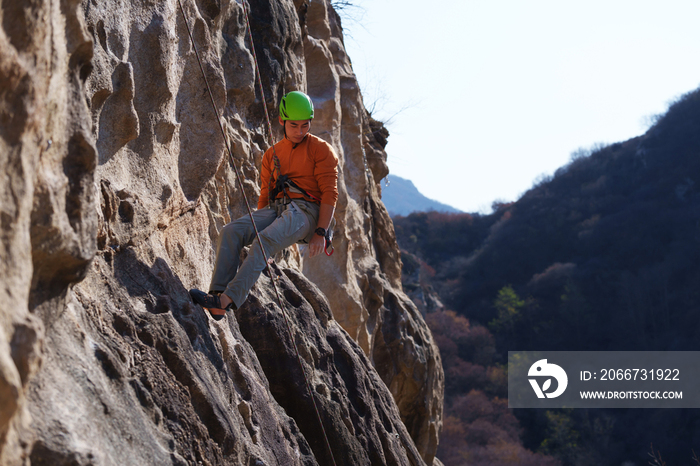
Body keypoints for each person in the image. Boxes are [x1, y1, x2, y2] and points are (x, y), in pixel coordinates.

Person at [189, 91, 339, 320]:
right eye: (294, 125)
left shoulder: (322, 150)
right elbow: (265, 196)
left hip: (309, 213)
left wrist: (320, 232)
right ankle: (216, 295)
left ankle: (226, 300)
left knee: (263, 241)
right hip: (279, 208)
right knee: (231, 232)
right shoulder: (272, 155)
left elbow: (330, 193)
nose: (300, 131)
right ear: (282, 120)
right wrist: (262, 239)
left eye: (305, 125)